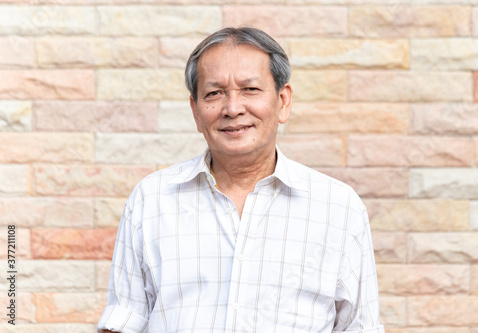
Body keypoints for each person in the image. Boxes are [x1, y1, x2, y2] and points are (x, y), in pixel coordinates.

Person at [97, 27, 384, 333]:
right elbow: (123, 320)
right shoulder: (152, 199)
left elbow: (359, 326)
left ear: (283, 101)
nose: (232, 108)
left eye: (250, 89)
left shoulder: (337, 207)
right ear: (195, 111)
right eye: (214, 93)